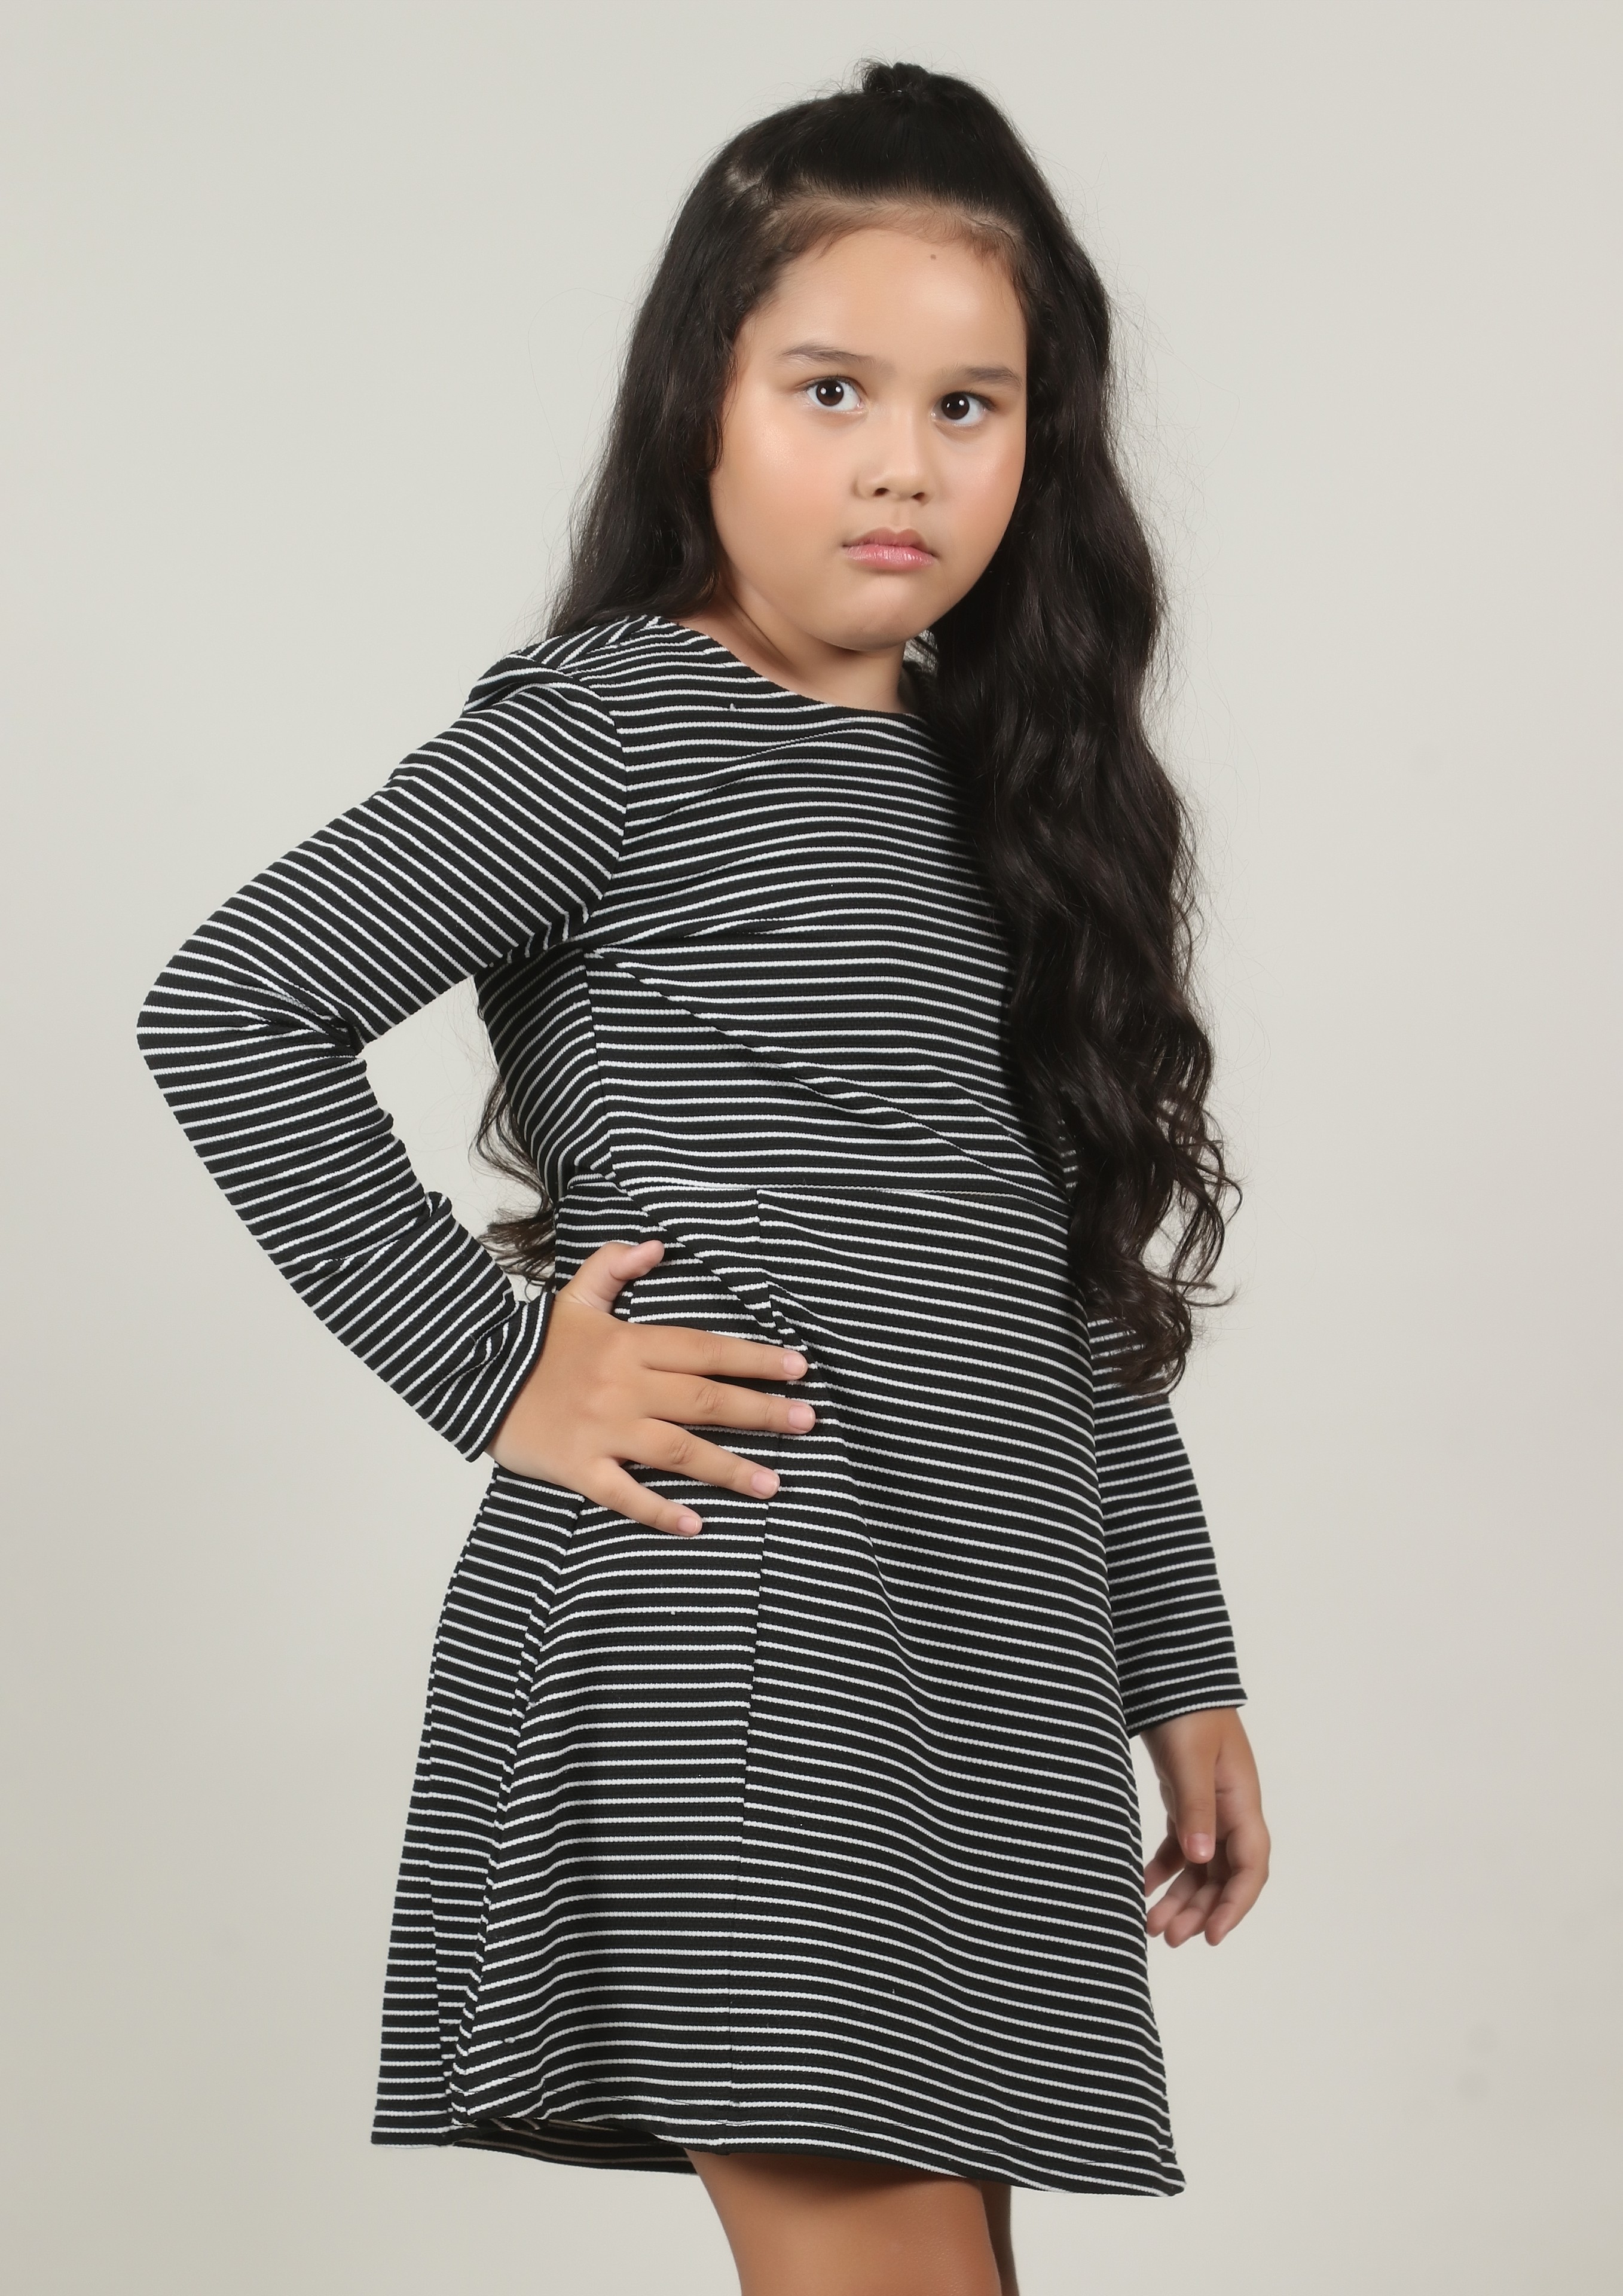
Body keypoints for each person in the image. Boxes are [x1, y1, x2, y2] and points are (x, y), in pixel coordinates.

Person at [139, 59, 1270, 2296]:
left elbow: (1044, 1275)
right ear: (701, 406)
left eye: (969, 406)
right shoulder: (620, 724)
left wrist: (1179, 1660)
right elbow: (232, 1006)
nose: (901, 462)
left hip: (975, 1651)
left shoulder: (996, 790)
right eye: (831, 389)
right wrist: (500, 1372)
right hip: (736, 1629)